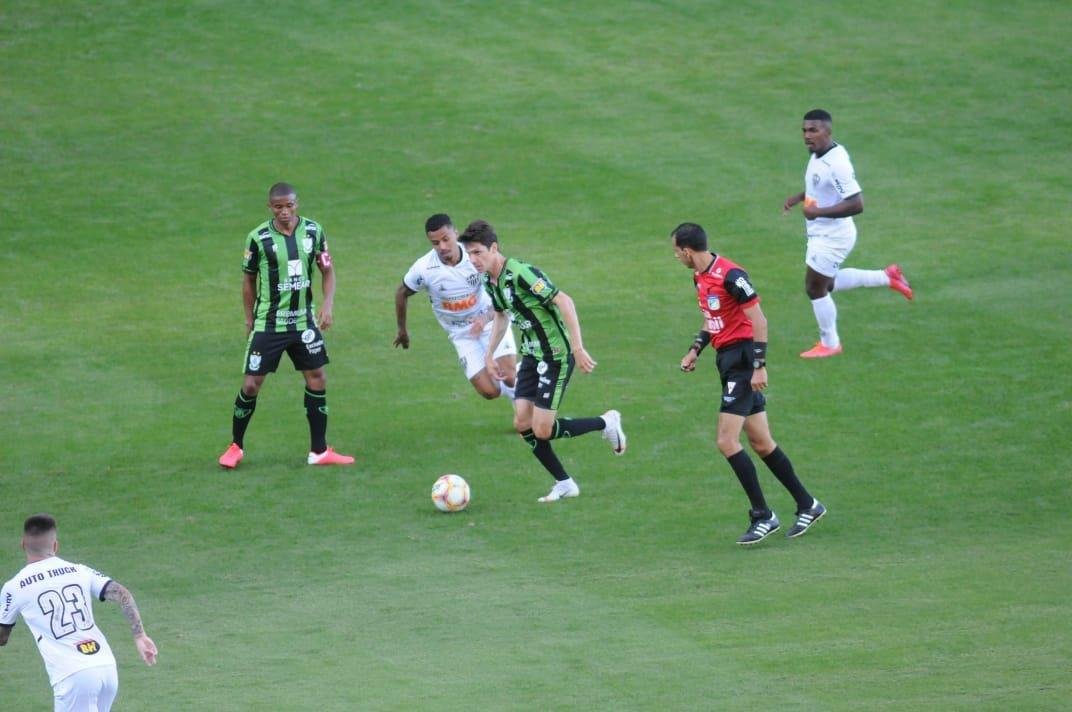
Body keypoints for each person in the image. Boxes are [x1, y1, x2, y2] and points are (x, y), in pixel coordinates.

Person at [672, 222, 825, 545]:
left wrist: (759, 367)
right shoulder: (699, 277)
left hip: (743, 361)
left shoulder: (732, 276)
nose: (676, 257)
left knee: (727, 442)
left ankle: (762, 515)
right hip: (726, 360)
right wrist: (695, 349)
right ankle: (808, 504)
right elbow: (713, 318)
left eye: (676, 252)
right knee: (761, 442)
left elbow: (759, 320)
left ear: (687, 250)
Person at [458, 220, 626, 502]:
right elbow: (501, 316)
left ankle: (606, 422)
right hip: (532, 355)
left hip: (555, 356)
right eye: (469, 254)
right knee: (522, 423)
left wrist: (578, 348)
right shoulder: (490, 279)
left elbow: (565, 301)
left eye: (477, 253)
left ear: (494, 248)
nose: (473, 260)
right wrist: (488, 355)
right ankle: (564, 483)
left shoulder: (522, 273)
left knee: (543, 429)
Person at [218, 183, 354, 469]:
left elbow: (327, 270)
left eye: (289, 205)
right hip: (269, 323)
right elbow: (248, 281)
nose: (284, 211)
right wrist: (249, 318)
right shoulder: (258, 238)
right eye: (278, 207)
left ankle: (319, 451)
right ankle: (235, 447)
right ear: (270, 208)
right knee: (252, 383)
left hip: (303, 322)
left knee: (317, 377)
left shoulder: (314, 232)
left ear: (297, 204)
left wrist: (327, 306)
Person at [782, 108, 913, 358]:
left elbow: (856, 204)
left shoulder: (837, 163)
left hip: (833, 238)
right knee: (827, 283)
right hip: (823, 233)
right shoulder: (819, 153)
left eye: (814, 130)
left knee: (814, 288)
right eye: (805, 130)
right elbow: (819, 184)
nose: (807, 135)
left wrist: (817, 212)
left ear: (828, 131)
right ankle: (888, 277)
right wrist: (800, 197)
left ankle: (830, 343)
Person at [1, 514, 158, 711]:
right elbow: (122, 593)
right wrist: (140, 635)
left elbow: (2, 637)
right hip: (105, 667)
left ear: (22, 544)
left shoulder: (14, 587)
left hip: (72, 675)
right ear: (55, 545)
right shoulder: (79, 570)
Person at [394, 214, 518, 402]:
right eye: (435, 243)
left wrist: (485, 318)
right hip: (461, 334)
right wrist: (402, 330)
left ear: (455, 234)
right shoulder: (424, 269)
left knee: (509, 377)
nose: (442, 247)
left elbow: (503, 287)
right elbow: (401, 293)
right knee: (490, 392)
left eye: (446, 239)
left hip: (490, 320)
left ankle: (527, 390)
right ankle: (518, 388)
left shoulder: (474, 256)